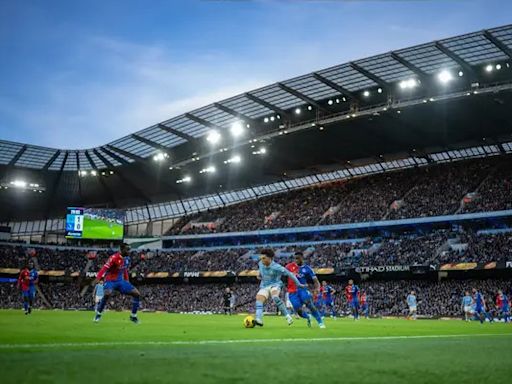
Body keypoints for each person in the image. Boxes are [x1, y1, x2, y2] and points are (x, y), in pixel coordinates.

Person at [253, 248, 305, 327]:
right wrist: (259, 274)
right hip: (264, 286)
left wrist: (298, 284)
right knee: (259, 300)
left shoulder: (277, 267)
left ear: (270, 258)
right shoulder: (260, 263)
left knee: (275, 297)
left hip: (275, 284)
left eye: (264, 258)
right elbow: (260, 271)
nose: (262, 260)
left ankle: (287, 316)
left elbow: (289, 274)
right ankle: (258, 319)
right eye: (261, 258)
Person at [93, 243, 141, 323]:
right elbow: (104, 268)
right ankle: (98, 313)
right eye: (127, 249)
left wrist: (127, 281)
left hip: (120, 281)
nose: (129, 251)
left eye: (129, 249)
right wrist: (98, 278)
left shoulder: (126, 259)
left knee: (137, 293)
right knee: (107, 294)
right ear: (122, 250)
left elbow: (124, 270)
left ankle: (133, 316)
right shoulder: (114, 258)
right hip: (110, 281)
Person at [285, 252, 325, 328]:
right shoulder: (289, 267)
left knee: (309, 303)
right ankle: (308, 317)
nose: (296, 260)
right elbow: (282, 275)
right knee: (298, 310)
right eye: (295, 258)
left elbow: (315, 281)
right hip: (292, 292)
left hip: (302, 289)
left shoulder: (307, 269)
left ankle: (320, 322)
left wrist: (317, 288)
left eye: (298, 258)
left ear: (302, 258)